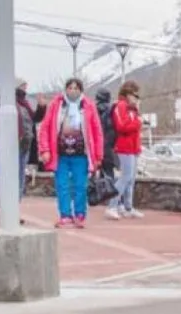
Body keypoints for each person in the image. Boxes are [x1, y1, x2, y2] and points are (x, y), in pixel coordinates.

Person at [37, 77, 105, 228]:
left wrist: (98, 155)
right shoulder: (56, 105)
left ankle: (80, 214)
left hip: (81, 154)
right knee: (62, 185)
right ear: (65, 89)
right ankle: (65, 215)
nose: (73, 91)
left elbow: (97, 131)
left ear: (81, 90)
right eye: (70, 88)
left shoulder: (88, 106)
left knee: (80, 185)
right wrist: (45, 149)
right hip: (60, 154)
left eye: (76, 88)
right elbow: (45, 128)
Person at [0, 79, 37, 212]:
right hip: (7, 146)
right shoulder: (2, 101)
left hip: (24, 146)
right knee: (4, 177)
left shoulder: (25, 104)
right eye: (23, 85)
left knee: (19, 179)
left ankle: (14, 210)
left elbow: (34, 119)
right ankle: (4, 209)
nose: (25, 88)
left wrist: (42, 107)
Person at [107, 81, 145, 220]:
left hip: (133, 147)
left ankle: (128, 206)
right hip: (124, 147)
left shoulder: (132, 109)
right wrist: (138, 122)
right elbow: (122, 126)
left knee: (131, 179)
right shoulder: (120, 106)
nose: (137, 97)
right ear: (128, 93)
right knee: (125, 177)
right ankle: (112, 205)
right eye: (135, 94)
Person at [93, 89, 118, 178]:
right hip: (109, 148)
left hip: (95, 147)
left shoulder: (92, 110)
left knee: (92, 174)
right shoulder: (113, 110)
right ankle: (107, 191)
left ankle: (93, 190)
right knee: (108, 174)